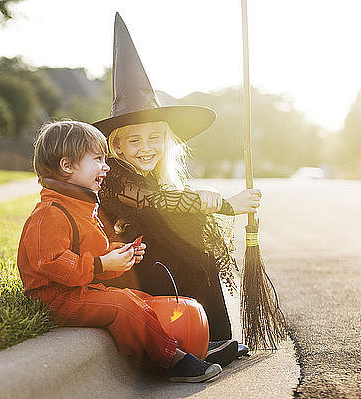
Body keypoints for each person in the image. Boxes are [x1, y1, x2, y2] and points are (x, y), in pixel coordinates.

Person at [93, 14, 261, 360]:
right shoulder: (113, 176)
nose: (146, 147)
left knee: (192, 244)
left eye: (155, 137)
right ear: (118, 146)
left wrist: (203, 211)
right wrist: (224, 204)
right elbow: (156, 202)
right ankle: (187, 339)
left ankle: (212, 334)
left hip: (150, 262)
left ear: (167, 140)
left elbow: (168, 201)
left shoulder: (153, 175)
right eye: (134, 140)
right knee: (172, 250)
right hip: (124, 269)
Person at [17, 120, 232, 382]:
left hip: (79, 290)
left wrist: (118, 254)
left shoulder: (81, 207)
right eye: (98, 159)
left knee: (139, 299)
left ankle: (185, 346)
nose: (106, 166)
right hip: (56, 298)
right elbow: (52, 264)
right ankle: (169, 360)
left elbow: (93, 252)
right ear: (67, 166)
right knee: (124, 305)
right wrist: (101, 264)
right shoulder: (50, 213)